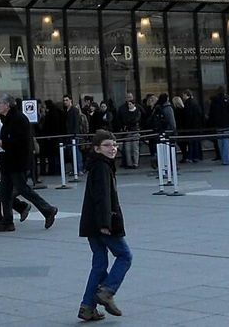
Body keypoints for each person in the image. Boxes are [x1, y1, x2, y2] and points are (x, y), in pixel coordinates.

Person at [76, 130, 131, 323]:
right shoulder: (102, 167)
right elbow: (103, 197)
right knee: (125, 256)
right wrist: (105, 224)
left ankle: (87, 307)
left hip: (92, 223)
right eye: (107, 145)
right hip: (102, 222)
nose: (112, 148)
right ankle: (107, 291)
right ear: (97, 148)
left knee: (99, 264)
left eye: (114, 145)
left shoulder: (98, 165)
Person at [0, 95, 57, 233]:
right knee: (4, 191)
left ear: (7, 105)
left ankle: (48, 209)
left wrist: (4, 143)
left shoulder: (18, 119)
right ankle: (8, 221)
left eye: (0, 103)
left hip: (17, 162)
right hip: (8, 161)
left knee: (23, 189)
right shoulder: (9, 119)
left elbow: (21, 141)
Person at [207, 87, 229, 165]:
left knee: (220, 142)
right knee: (227, 142)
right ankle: (226, 159)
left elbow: (211, 114)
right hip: (227, 124)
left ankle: (223, 158)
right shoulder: (228, 100)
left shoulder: (214, 101)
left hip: (218, 125)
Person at [117, 94, 141, 169]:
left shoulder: (137, 110)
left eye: (130, 104)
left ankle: (135, 163)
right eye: (128, 104)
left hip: (135, 130)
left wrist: (128, 123)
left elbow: (136, 120)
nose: (129, 105)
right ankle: (129, 163)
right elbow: (123, 120)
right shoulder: (124, 110)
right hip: (127, 131)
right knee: (127, 149)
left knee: (135, 148)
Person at [180, 91, 204, 163]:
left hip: (191, 127)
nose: (183, 97)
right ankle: (197, 156)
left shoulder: (188, 104)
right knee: (196, 142)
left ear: (187, 95)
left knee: (192, 143)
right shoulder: (195, 103)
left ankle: (192, 156)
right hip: (196, 126)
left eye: (183, 95)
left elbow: (188, 117)